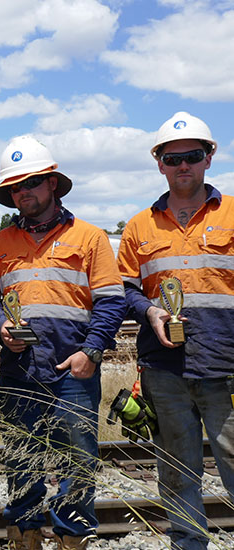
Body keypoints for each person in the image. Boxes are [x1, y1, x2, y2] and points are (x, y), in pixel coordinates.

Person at [0, 136, 125, 550]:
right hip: (19, 370)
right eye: (16, 187)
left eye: (31, 183)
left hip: (73, 372)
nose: (23, 192)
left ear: (52, 184)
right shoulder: (0, 243)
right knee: (20, 459)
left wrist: (91, 352)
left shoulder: (90, 237)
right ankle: (24, 536)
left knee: (77, 461)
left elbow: (111, 301)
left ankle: (72, 538)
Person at [117, 112, 234, 550]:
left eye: (192, 156)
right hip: (164, 371)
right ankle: (188, 543)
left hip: (226, 368)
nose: (182, 165)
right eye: (173, 158)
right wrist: (148, 311)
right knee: (176, 470)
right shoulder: (139, 226)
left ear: (209, 158)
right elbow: (125, 288)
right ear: (159, 163)